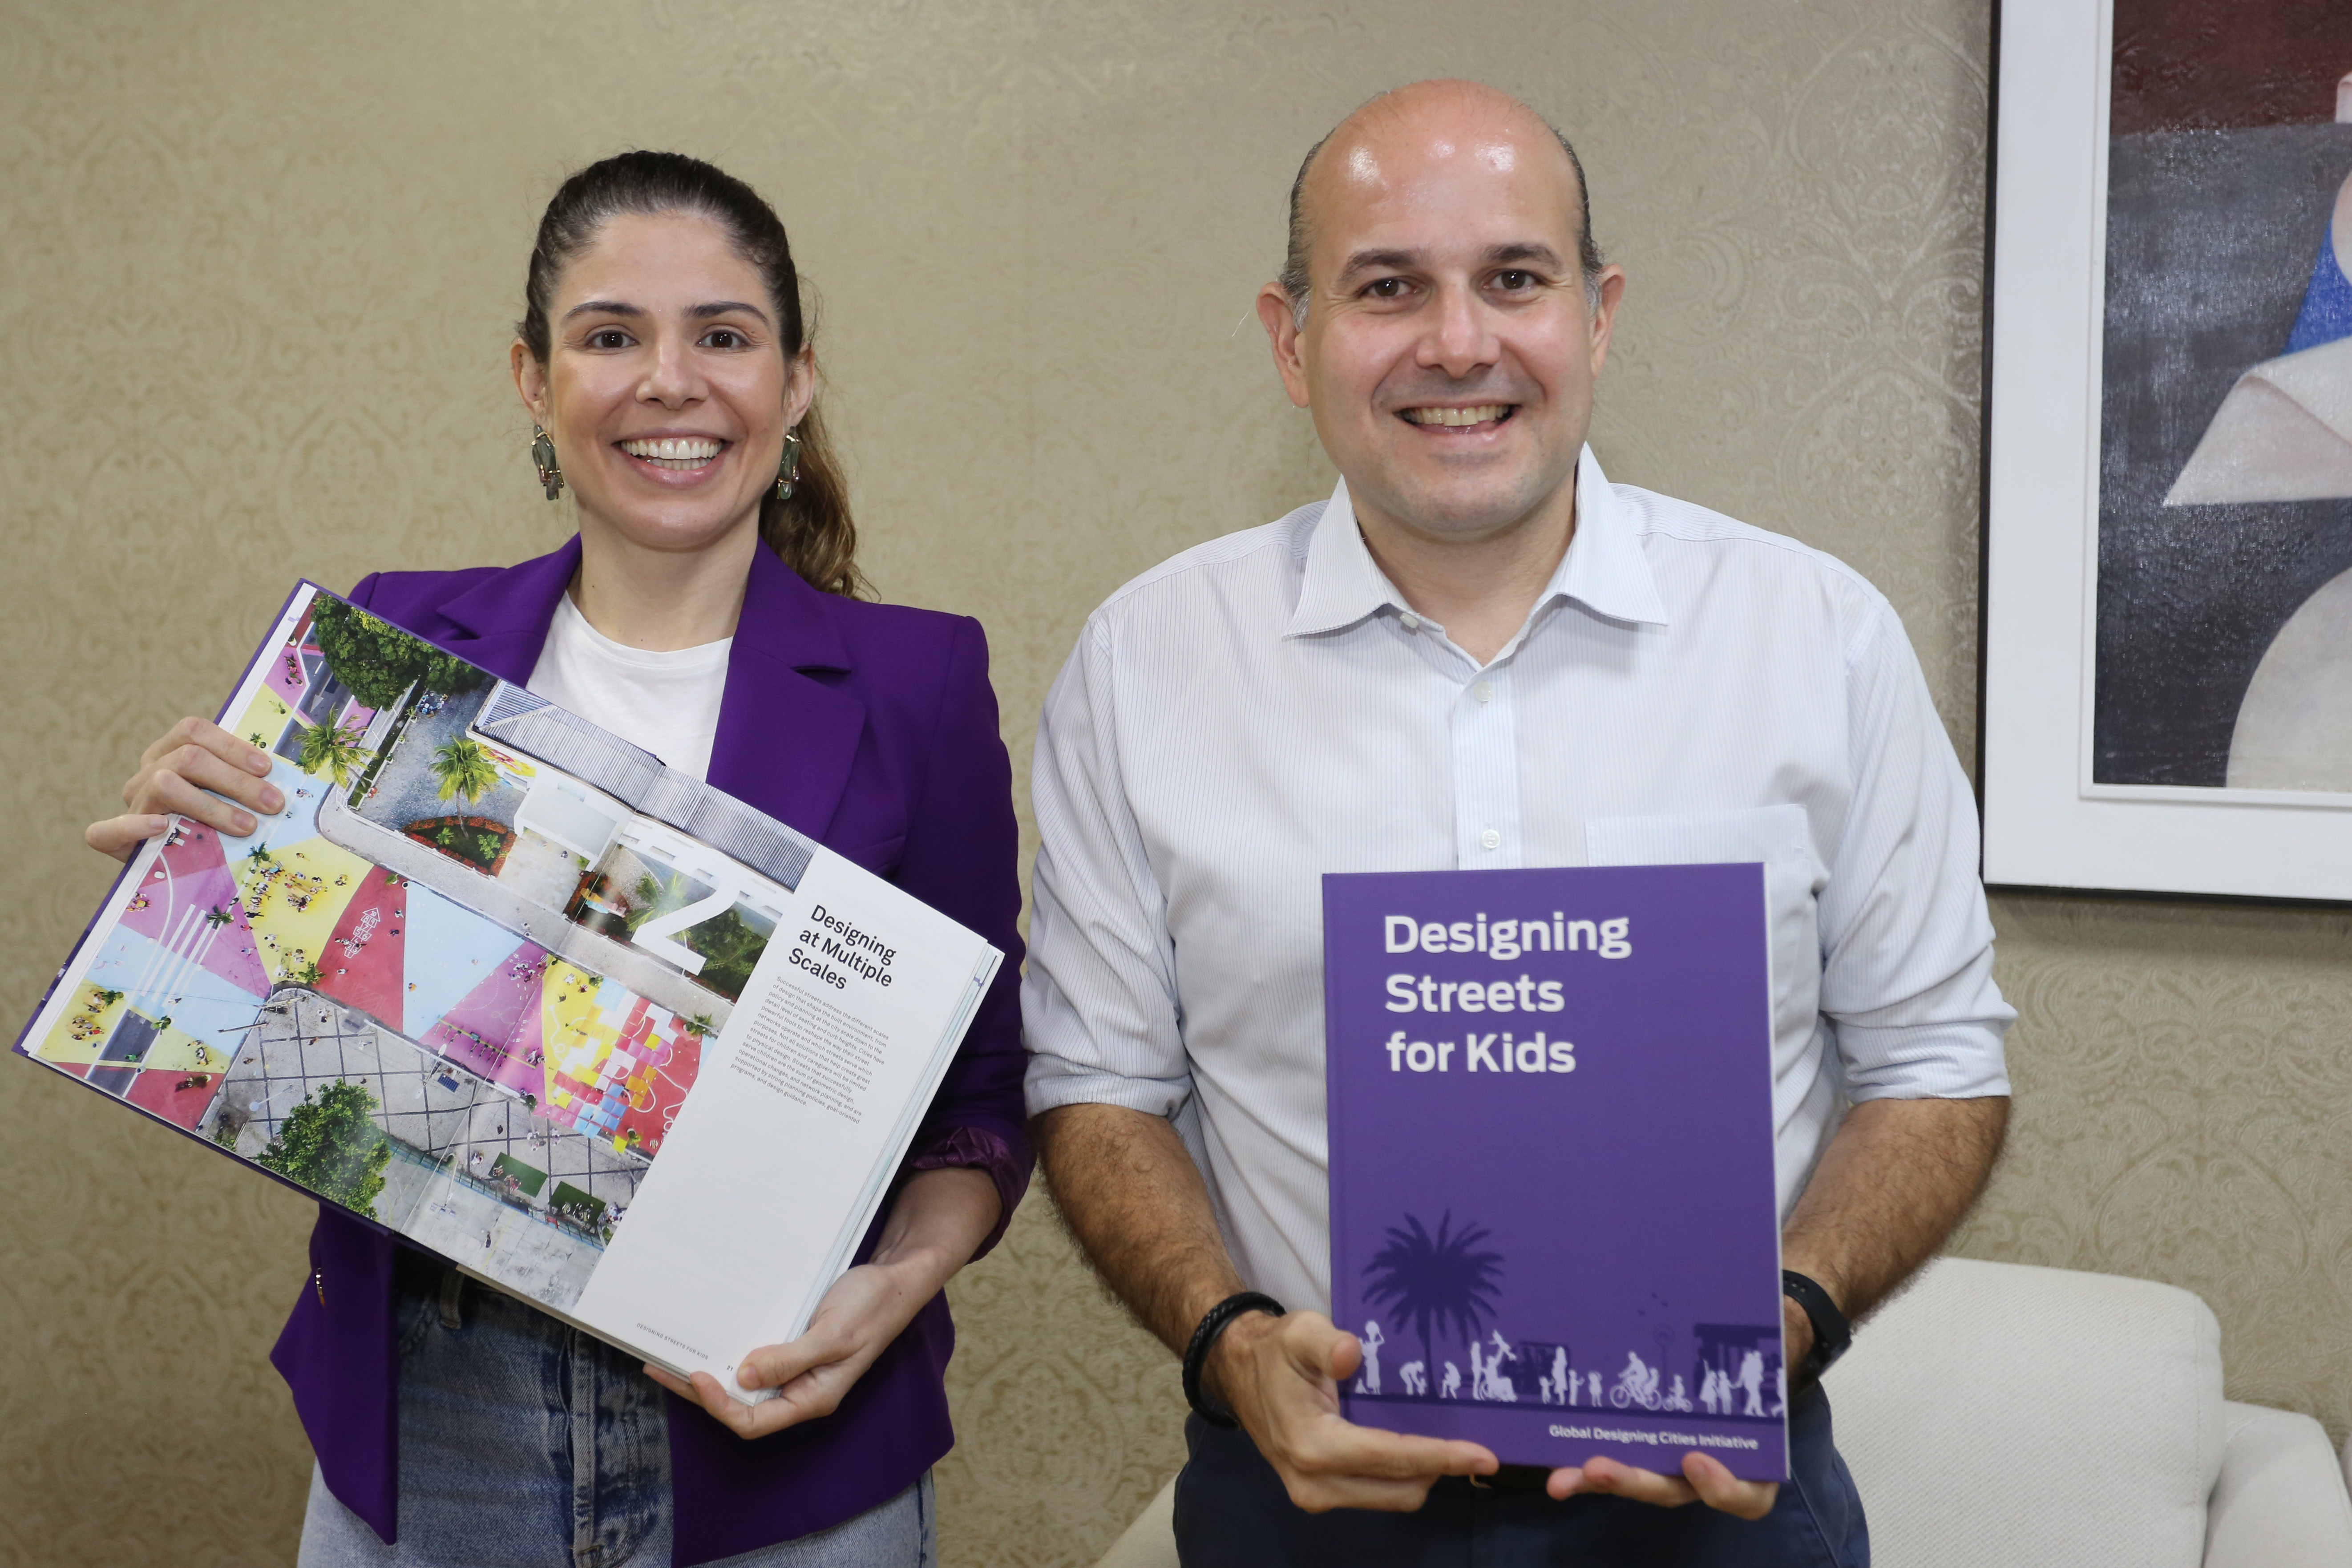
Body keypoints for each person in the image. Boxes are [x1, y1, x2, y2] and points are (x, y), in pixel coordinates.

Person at [1022, 80, 2012, 1566]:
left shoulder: (1818, 637)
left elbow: (1939, 1061)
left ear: (1599, 317)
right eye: (1386, 287)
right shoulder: (1144, 662)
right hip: (1305, 1506)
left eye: (1515, 279)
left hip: (1720, 1508)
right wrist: (1230, 1339)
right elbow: (1101, 1080)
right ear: (1294, 342)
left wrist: (1782, 1323)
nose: (1459, 341)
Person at [85, 151, 1029, 1568]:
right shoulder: (393, 653)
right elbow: (264, 1018)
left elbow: (985, 1096)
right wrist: (186, 887)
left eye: (723, 334)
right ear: (533, 379)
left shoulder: (921, 682)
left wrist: (899, 1280)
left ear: (797, 377)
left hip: (786, 1442)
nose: (669, 379)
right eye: (609, 336)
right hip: (432, 1422)